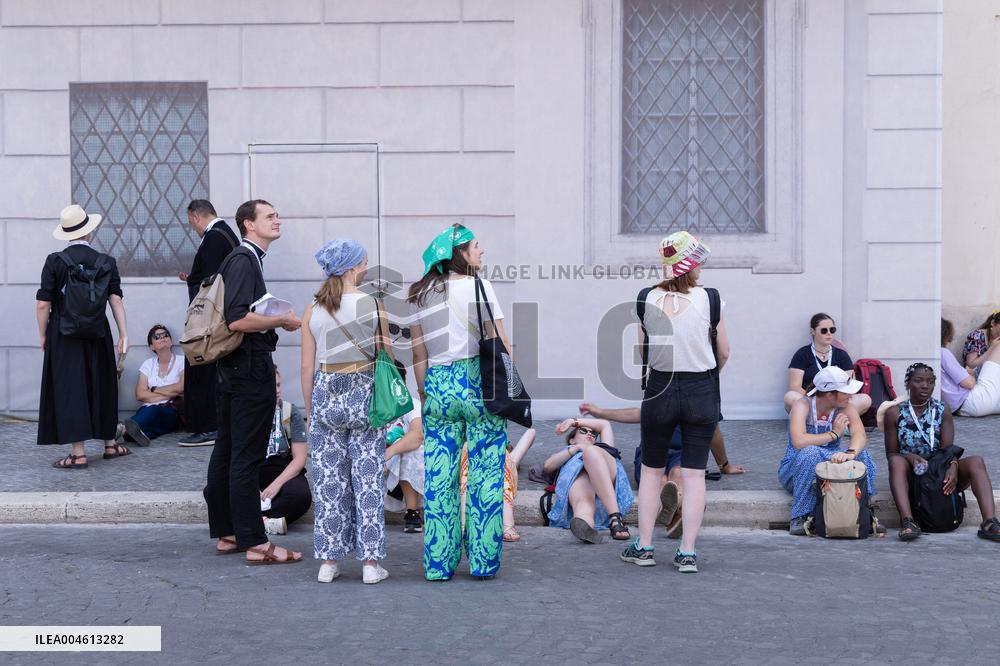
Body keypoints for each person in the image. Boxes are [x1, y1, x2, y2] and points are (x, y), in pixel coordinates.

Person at [408, 224, 511, 581]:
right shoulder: (479, 287)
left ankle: (439, 563)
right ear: (461, 255)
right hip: (478, 383)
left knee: (440, 477)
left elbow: (417, 352)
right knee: (485, 474)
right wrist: (509, 385)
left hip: (438, 382)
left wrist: (424, 392)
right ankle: (483, 562)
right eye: (476, 247)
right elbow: (497, 339)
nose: (482, 252)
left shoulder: (419, 295)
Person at [203, 199, 303, 565]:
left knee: (228, 451)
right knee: (244, 456)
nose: (278, 220)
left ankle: (228, 532)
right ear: (249, 224)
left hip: (233, 370)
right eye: (270, 216)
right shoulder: (245, 260)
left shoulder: (241, 259)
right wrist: (282, 321)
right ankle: (256, 542)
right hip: (249, 371)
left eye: (278, 214)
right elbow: (237, 320)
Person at [620, 232, 728, 573]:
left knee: (651, 472)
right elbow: (723, 352)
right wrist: (706, 371)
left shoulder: (645, 299)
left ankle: (645, 546)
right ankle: (687, 553)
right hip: (700, 387)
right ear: (693, 264)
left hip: (660, 388)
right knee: (695, 475)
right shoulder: (710, 299)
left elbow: (643, 352)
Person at [302, 238, 391, 585]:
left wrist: (311, 411)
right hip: (364, 391)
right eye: (364, 261)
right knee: (367, 480)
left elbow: (306, 366)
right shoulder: (372, 304)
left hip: (326, 392)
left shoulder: (313, 308)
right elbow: (386, 355)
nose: (366, 266)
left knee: (329, 483)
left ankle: (328, 562)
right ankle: (370, 564)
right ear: (353, 266)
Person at [36, 204, 129, 468]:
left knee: (72, 387)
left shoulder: (55, 261)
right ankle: (110, 445)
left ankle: (78, 454)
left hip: (64, 334)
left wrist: (43, 335)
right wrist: (124, 334)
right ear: (89, 232)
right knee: (103, 382)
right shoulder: (106, 262)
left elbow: (43, 304)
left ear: (66, 234)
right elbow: (116, 300)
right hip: (98, 331)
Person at [579, 402, 745, 538]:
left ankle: (674, 510)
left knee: (676, 475)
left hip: (680, 453)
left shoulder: (700, 394)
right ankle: (680, 511)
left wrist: (725, 466)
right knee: (663, 481)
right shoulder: (664, 389)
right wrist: (600, 412)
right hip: (651, 451)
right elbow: (638, 414)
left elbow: (714, 432)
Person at [882, 363, 1000, 542]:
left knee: (976, 461)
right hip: (913, 470)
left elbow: (947, 449)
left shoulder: (941, 409)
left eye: (930, 382)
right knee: (896, 463)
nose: (925, 386)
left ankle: (989, 523)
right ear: (908, 383)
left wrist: (952, 464)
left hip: (939, 468)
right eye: (919, 381)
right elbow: (891, 453)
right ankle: (908, 522)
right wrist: (910, 457)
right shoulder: (894, 413)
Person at [779, 366, 876, 535]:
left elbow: (859, 434)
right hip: (796, 465)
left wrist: (850, 453)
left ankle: (864, 512)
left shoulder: (845, 406)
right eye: (845, 392)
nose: (850, 396)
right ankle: (800, 517)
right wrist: (833, 434)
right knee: (810, 453)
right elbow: (799, 441)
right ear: (830, 394)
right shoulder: (803, 405)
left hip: (828, 463)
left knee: (863, 455)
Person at [178, 199, 238, 447]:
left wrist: (195, 281)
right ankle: (212, 426)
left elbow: (212, 282)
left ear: (194, 217)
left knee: (202, 366)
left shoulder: (214, 237)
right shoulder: (226, 235)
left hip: (209, 322)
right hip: (220, 317)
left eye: (191, 223)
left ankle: (207, 427)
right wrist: (192, 277)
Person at [543, 419, 633, 543]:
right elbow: (548, 466)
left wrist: (573, 422)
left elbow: (604, 424)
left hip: (606, 472)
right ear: (572, 440)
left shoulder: (603, 447)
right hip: (580, 478)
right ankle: (586, 527)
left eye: (593, 434)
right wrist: (577, 448)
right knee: (583, 503)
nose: (590, 434)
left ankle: (615, 518)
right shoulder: (569, 450)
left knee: (590, 451)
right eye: (583, 431)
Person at [783, 313, 871, 415]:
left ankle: (829, 419)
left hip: (836, 401)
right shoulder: (802, 354)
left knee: (865, 399)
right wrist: (816, 400)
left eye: (832, 330)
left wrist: (835, 400)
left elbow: (850, 383)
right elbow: (795, 386)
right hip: (811, 400)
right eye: (824, 330)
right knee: (790, 397)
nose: (829, 333)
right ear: (813, 332)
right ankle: (823, 419)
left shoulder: (841, 355)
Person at [259, 368, 312, 536]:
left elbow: (300, 458)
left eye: (278, 385)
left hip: (281, 469)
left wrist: (276, 485)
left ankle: (252, 521)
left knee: (301, 496)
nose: (277, 390)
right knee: (213, 492)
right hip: (252, 469)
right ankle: (265, 522)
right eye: (271, 385)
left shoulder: (289, 412)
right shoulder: (245, 413)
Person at [461, 427, 537, 542]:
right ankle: (507, 526)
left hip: (495, 462)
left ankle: (464, 525)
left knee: (498, 468)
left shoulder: (509, 459)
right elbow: (531, 432)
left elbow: (531, 432)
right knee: (469, 465)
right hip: (475, 457)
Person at [120, 324, 184, 447]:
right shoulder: (148, 364)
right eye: (157, 337)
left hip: (172, 409)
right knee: (151, 422)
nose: (162, 338)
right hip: (147, 409)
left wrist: (153, 390)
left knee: (155, 410)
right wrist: (170, 392)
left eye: (165, 335)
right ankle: (136, 434)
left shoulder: (182, 361)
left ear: (171, 341)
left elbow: (181, 388)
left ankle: (122, 429)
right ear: (151, 346)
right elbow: (140, 394)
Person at [383, 362, 425, 534]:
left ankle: (412, 512)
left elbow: (417, 436)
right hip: (378, 470)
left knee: (408, 450)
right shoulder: (371, 404)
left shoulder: (411, 404)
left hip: (405, 471)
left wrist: (390, 452)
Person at [941, 319, 1000, 417]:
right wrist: (969, 374)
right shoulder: (942, 353)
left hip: (964, 408)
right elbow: (969, 383)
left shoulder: (927, 356)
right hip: (973, 401)